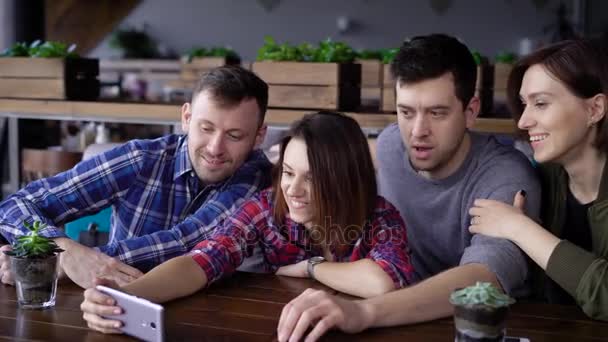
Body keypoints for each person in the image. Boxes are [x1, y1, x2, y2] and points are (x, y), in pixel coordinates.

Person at [276, 33, 541, 341]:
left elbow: (483, 280)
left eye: (437, 113)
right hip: (397, 316)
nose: (417, 132)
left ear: (470, 111)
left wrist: (363, 312)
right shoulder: (391, 145)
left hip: (485, 329)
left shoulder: (505, 177)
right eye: (406, 112)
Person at [80, 111, 414, 334]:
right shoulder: (265, 209)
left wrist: (310, 267)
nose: (293, 190)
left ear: (345, 179)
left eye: (312, 179)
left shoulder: (380, 217)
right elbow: (203, 260)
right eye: (288, 173)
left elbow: (385, 281)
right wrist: (125, 297)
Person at [0, 66, 272, 288]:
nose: (215, 148)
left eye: (234, 136)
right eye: (206, 128)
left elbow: (183, 243)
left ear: (259, 136)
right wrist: (64, 251)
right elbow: (15, 205)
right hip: (109, 307)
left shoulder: (256, 178)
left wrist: (52, 263)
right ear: (186, 117)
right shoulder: (141, 159)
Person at [468, 39, 608, 321]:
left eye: (541, 103)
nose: (522, 121)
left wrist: (520, 228)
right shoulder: (543, 178)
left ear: (595, 109)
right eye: (524, 104)